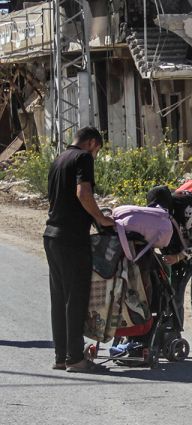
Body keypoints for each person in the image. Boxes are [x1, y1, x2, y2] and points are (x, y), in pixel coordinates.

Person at [43, 127, 114, 372]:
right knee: (76, 299)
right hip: (72, 239)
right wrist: (101, 219)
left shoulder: (59, 159)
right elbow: (83, 193)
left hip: (51, 235)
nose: (94, 156)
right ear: (92, 143)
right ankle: (75, 358)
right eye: (96, 151)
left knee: (59, 297)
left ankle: (61, 356)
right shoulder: (82, 157)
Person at [146, 184, 192, 359]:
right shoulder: (159, 214)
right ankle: (173, 341)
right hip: (180, 255)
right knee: (174, 297)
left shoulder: (187, 209)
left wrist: (178, 257)